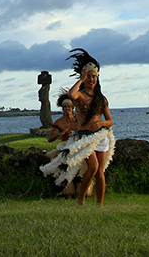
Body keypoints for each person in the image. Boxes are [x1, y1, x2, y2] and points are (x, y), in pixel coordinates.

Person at [40, 48, 115, 207]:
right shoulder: (80, 96)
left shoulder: (101, 99)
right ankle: (80, 200)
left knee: (100, 171)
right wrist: (81, 79)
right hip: (84, 138)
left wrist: (101, 123)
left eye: (94, 77)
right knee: (93, 167)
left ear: (97, 78)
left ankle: (100, 204)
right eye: (89, 77)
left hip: (100, 136)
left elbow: (110, 121)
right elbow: (71, 95)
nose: (91, 80)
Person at [46, 92, 80, 198]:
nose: (67, 109)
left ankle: (81, 191)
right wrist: (60, 134)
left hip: (76, 145)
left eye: (69, 107)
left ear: (72, 108)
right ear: (62, 108)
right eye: (65, 107)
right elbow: (50, 139)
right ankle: (66, 191)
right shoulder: (59, 122)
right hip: (64, 146)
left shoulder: (78, 120)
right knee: (65, 163)